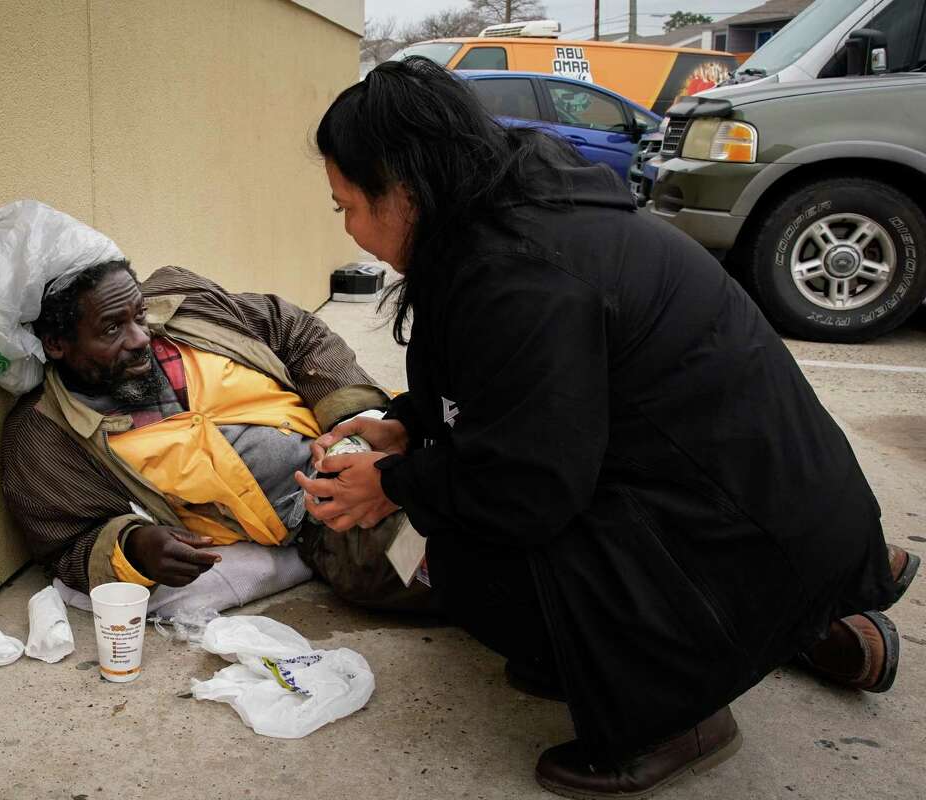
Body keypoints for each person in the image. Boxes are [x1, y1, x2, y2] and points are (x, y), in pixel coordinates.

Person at [297, 57, 920, 799]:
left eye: (346, 206)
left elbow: (527, 485)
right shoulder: (508, 223)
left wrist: (391, 487)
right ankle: (796, 620)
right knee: (471, 513)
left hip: (743, 518)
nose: (349, 228)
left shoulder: (522, 272)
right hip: (767, 513)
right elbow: (502, 398)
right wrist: (402, 428)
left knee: (465, 560)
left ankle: (674, 714)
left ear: (403, 188)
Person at [0, 258, 427, 613]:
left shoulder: (187, 302)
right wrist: (135, 546)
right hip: (323, 524)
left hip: (379, 442)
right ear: (57, 344)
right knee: (437, 564)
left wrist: (352, 421)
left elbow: (295, 331)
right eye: (112, 330)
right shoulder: (42, 436)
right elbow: (67, 545)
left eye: (139, 316)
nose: (140, 338)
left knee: (475, 464)